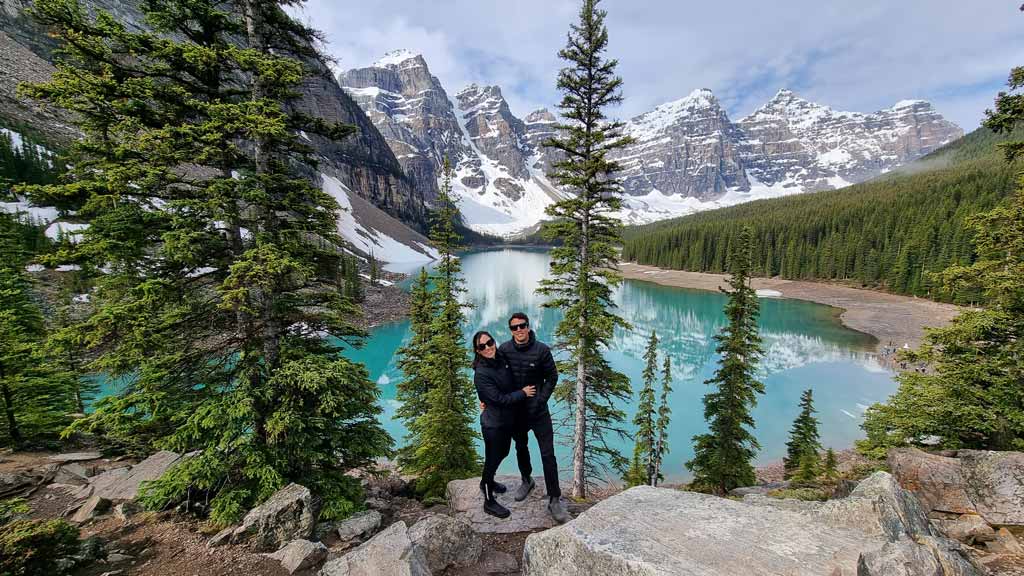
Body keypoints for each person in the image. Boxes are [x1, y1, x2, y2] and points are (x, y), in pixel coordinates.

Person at [498, 312, 571, 524]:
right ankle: (526, 479)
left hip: (538, 412)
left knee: (548, 454)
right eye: (515, 327)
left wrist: (541, 399)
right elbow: (493, 372)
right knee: (521, 447)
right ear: (510, 330)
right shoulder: (504, 350)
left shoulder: (542, 350)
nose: (519, 330)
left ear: (528, 327)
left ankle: (554, 498)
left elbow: (553, 377)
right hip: (517, 411)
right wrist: (487, 396)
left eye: (522, 326)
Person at [472, 330, 536, 519]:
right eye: (482, 346)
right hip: (493, 424)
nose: (488, 347)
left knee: (503, 452)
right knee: (492, 458)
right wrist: (523, 393)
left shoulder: (500, 359)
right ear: (478, 351)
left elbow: (500, 388)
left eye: (490, 342)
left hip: (506, 421)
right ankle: (488, 499)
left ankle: (488, 481)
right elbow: (499, 399)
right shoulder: (481, 373)